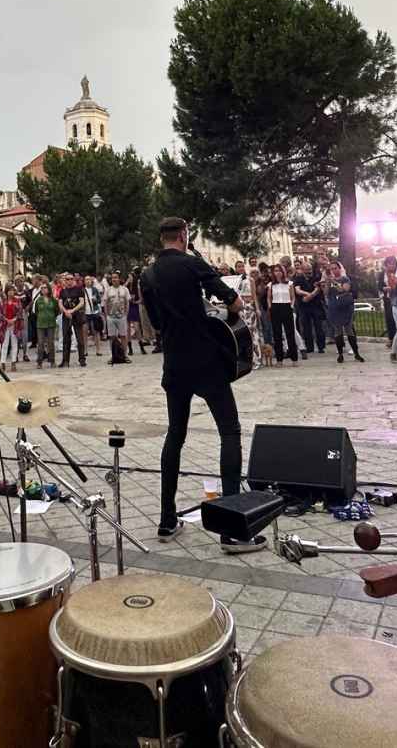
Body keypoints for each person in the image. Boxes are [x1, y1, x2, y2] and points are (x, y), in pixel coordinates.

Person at [140, 218, 257, 551]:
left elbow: (158, 323)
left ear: (161, 238)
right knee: (229, 431)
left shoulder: (146, 276)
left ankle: (166, 520)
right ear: (183, 236)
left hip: (174, 364)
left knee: (175, 435)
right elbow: (234, 302)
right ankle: (232, 530)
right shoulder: (193, 265)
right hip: (206, 362)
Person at [265, 264, 298, 363]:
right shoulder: (271, 284)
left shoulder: (289, 284)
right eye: (275, 271)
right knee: (277, 334)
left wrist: (291, 306)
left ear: (283, 272)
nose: (277, 272)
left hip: (286, 307)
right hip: (275, 308)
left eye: (279, 270)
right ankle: (279, 359)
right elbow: (268, 297)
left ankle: (294, 358)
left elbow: (293, 297)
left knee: (290, 333)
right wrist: (270, 307)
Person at [291, 258, 325, 355]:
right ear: (302, 270)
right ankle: (309, 347)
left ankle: (321, 347)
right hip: (303, 306)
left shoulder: (316, 277)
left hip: (316, 305)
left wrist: (310, 296)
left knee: (318, 327)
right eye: (306, 269)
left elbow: (318, 288)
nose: (308, 271)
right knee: (306, 327)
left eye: (309, 269)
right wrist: (307, 294)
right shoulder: (298, 279)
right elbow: (297, 290)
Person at [328, 270, 363, 362]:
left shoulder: (345, 279)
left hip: (346, 307)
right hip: (335, 307)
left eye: (335, 268)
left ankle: (356, 353)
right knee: (337, 330)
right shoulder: (328, 280)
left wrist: (334, 282)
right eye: (332, 269)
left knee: (349, 329)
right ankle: (340, 354)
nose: (333, 270)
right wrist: (326, 284)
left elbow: (344, 289)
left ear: (339, 269)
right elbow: (326, 293)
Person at [58, 273, 88, 368]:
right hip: (66, 316)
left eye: (71, 279)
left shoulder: (79, 290)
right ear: (65, 280)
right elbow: (60, 303)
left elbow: (82, 302)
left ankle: (82, 359)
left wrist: (72, 310)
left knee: (80, 339)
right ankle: (65, 360)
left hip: (77, 315)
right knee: (66, 338)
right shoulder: (62, 291)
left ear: (73, 280)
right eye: (67, 279)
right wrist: (65, 311)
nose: (69, 281)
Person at [102, 271, 132, 364]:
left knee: (123, 335)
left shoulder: (125, 289)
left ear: (119, 279)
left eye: (116, 277)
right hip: (111, 316)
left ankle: (124, 355)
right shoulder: (108, 290)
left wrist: (126, 313)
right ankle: (113, 355)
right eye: (112, 278)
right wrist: (107, 315)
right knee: (112, 336)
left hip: (121, 315)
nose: (114, 279)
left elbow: (127, 302)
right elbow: (105, 302)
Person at [32, 276, 59, 368]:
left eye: (45, 288)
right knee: (40, 343)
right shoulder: (38, 301)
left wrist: (51, 316)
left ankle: (52, 361)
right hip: (40, 323)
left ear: (49, 289)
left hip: (51, 323)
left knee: (51, 342)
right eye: (42, 288)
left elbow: (56, 311)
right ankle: (39, 362)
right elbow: (36, 311)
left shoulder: (53, 300)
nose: (43, 289)